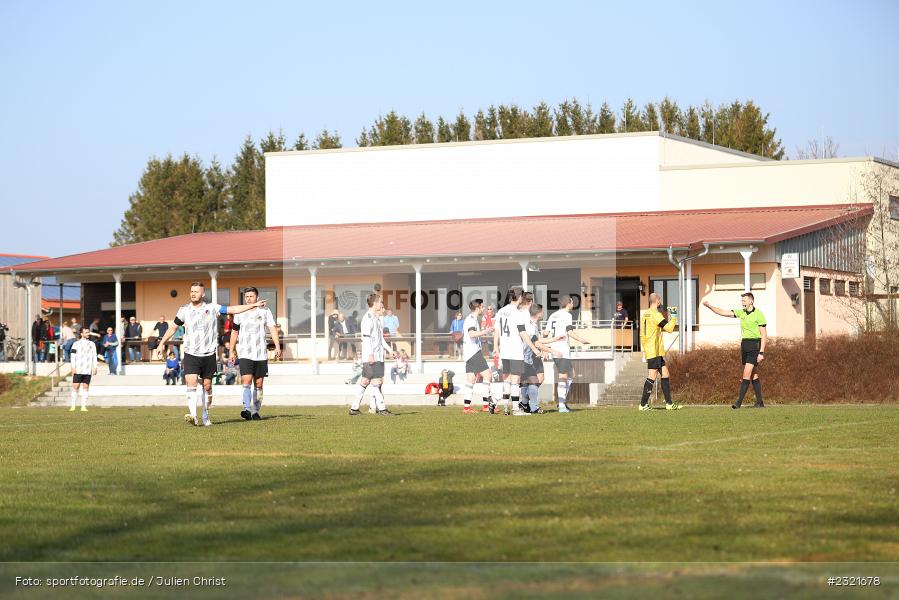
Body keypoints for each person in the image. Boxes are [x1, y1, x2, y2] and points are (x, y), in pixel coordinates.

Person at [155, 282, 267, 427]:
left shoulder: (212, 308)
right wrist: (161, 343)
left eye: (196, 291)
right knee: (191, 383)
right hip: (191, 353)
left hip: (208, 355)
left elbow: (233, 309)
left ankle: (205, 415)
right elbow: (173, 327)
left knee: (207, 386)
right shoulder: (184, 310)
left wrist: (254, 305)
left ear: (203, 294)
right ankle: (194, 416)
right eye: (191, 291)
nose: (193, 294)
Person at [703, 293, 767, 409]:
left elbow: (763, 335)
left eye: (744, 300)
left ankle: (738, 403)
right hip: (745, 345)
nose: (742, 302)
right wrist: (710, 306)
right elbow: (723, 312)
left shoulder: (759, 314)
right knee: (753, 374)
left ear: (751, 301)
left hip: (754, 346)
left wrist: (761, 352)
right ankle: (760, 402)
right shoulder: (741, 312)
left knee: (746, 374)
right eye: (742, 300)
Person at [228, 286, 281, 421]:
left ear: (257, 297)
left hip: (261, 353)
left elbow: (272, 329)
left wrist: (277, 346)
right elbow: (234, 332)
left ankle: (256, 411)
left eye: (251, 296)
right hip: (245, 353)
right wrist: (231, 351)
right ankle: (247, 410)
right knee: (246, 380)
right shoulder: (239, 312)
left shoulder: (265, 311)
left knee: (259, 383)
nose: (248, 299)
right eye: (246, 296)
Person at [493, 288, 544, 416]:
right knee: (515, 381)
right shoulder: (517, 313)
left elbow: (496, 330)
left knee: (506, 379)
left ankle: (506, 408)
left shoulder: (501, 311)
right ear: (520, 297)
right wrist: (534, 349)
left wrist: (495, 346)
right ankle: (516, 409)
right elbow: (523, 333)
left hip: (504, 350)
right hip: (515, 350)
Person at [349, 292, 397, 416]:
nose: (382, 304)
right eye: (380, 302)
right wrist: (370, 355)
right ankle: (380, 408)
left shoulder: (376, 319)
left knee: (369, 381)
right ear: (375, 303)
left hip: (377, 356)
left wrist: (390, 350)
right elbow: (366, 339)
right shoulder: (367, 318)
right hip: (371, 357)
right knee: (374, 381)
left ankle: (355, 408)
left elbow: (380, 339)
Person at [545, 295, 591, 413]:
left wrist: (545, 346)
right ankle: (561, 406)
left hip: (555, 348)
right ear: (568, 303)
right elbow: (569, 331)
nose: (573, 304)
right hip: (561, 350)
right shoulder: (567, 315)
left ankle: (562, 402)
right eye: (572, 302)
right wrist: (581, 340)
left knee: (571, 374)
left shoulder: (553, 315)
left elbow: (545, 332)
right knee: (563, 376)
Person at [638, 293, 680, 411]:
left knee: (665, 374)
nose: (660, 301)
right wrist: (674, 316)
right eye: (659, 299)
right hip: (654, 350)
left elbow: (643, 332)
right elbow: (669, 329)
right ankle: (643, 404)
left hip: (652, 348)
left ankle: (669, 404)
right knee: (652, 376)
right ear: (657, 300)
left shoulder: (645, 314)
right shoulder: (656, 314)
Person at [522, 303, 558, 414]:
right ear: (538, 313)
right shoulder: (529, 325)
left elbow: (538, 340)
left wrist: (554, 339)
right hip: (528, 356)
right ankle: (529, 405)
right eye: (542, 311)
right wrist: (550, 351)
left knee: (539, 379)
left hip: (534, 354)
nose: (543, 313)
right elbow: (535, 343)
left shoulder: (534, 324)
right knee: (530, 381)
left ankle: (526, 403)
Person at [461, 299, 494, 413]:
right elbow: (471, 334)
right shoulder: (471, 319)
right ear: (477, 307)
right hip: (474, 352)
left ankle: (466, 407)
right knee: (488, 375)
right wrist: (486, 331)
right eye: (482, 306)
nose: (483, 308)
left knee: (470, 379)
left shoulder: (471, 318)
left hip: (469, 353)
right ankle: (486, 405)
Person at [69, 327, 97, 412]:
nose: (88, 334)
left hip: (88, 369)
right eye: (86, 332)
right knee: (75, 386)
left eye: (88, 332)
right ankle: (73, 406)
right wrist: (73, 367)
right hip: (78, 368)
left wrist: (94, 367)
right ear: (82, 334)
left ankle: (83, 406)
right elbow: (72, 355)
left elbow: (94, 356)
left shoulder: (92, 344)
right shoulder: (76, 344)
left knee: (86, 387)